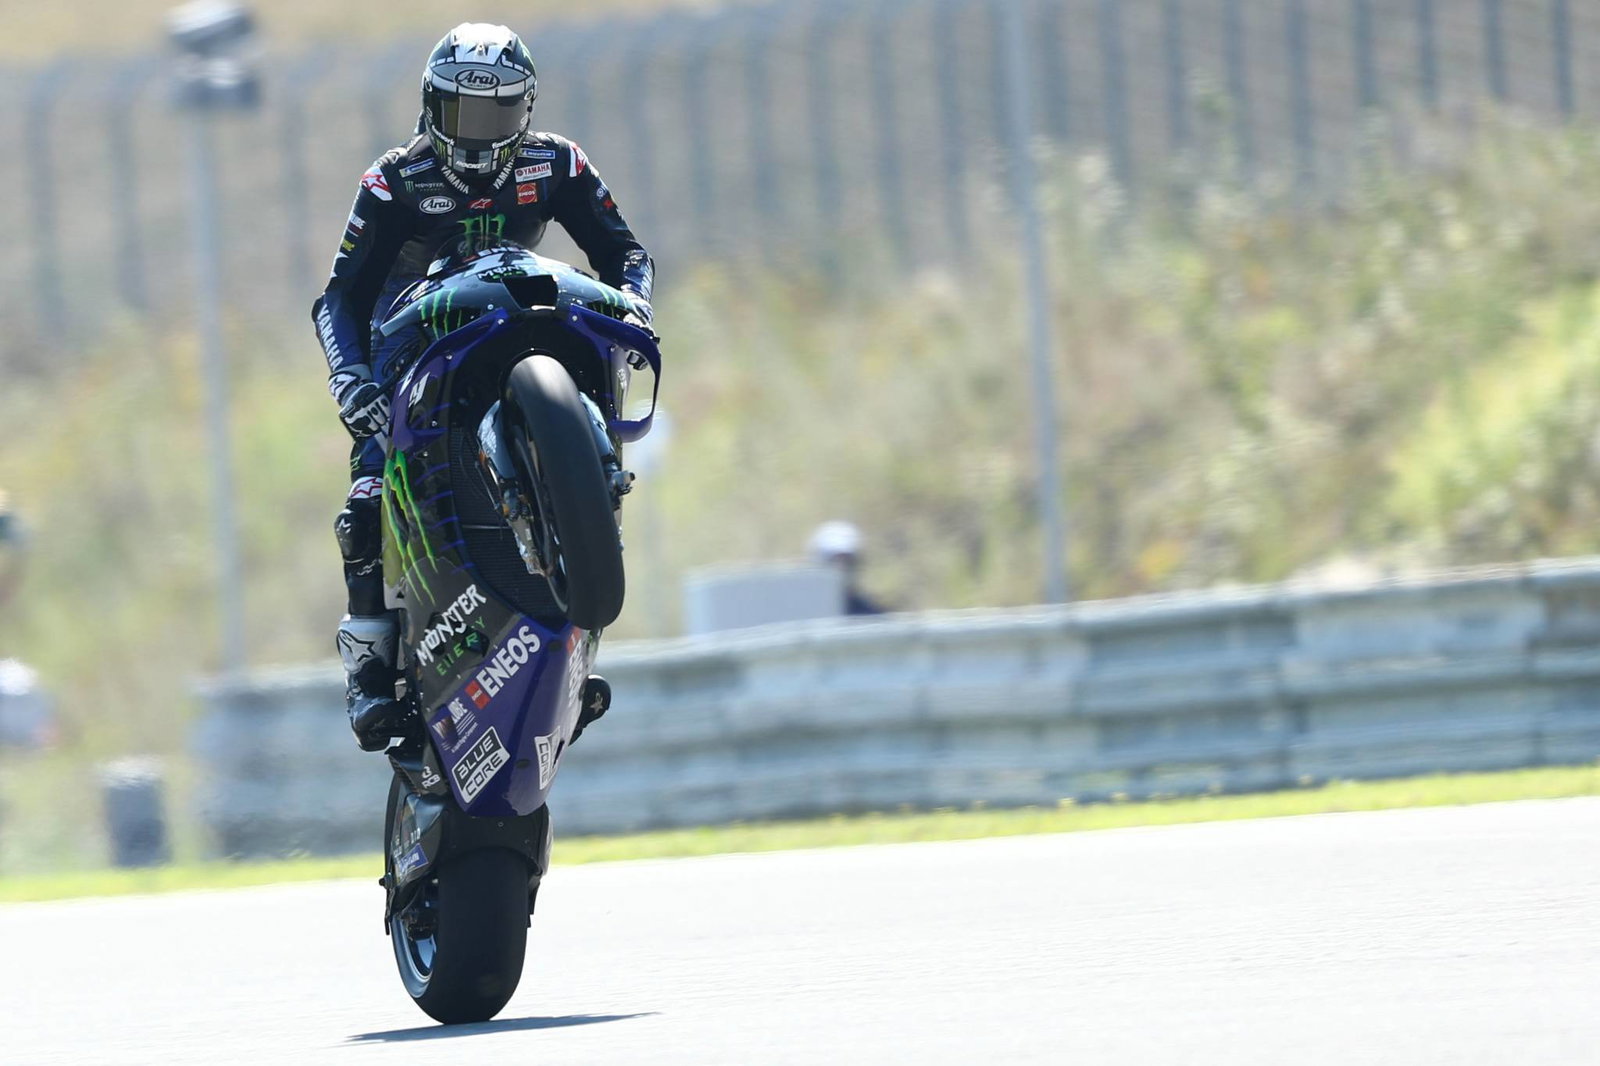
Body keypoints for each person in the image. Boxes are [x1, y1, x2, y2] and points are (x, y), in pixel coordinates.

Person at [312, 23, 655, 750]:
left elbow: (623, 253)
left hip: (506, 313)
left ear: (524, 111)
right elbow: (340, 297)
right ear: (431, 108)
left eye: (495, 115)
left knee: (591, 374)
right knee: (367, 500)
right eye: (461, 114)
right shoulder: (395, 180)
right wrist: (352, 378)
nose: (476, 134)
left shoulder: (556, 162)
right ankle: (369, 674)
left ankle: (567, 571)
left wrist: (634, 305)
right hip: (406, 342)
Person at [808, 521, 888, 617]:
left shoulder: (870, 615)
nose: (841, 569)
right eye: (834, 562)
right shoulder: (801, 610)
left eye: (849, 562)